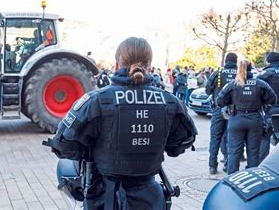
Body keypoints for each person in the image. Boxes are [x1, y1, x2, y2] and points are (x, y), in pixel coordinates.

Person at [46, 37, 197, 210]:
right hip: (150, 199)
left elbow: (64, 146)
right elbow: (179, 145)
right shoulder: (170, 102)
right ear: (149, 67)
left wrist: (91, 151)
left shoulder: (96, 101)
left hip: (105, 198)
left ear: (117, 64)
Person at [216, 59, 276, 174]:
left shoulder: (232, 84)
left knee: (234, 152)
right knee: (253, 152)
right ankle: (251, 177)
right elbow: (273, 99)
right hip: (255, 119)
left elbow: (220, 101)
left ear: (239, 69)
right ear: (251, 68)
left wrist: (230, 102)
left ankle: (232, 178)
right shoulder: (260, 84)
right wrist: (262, 103)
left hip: (236, 119)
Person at [205, 53, 238, 174]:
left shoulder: (218, 73)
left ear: (225, 60)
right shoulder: (240, 74)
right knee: (232, 139)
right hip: (235, 111)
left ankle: (212, 166)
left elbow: (207, 90)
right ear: (236, 61)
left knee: (215, 138)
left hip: (218, 109)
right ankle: (228, 165)